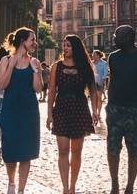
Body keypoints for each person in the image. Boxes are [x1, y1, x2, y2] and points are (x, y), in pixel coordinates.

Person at [106, 25, 137, 194]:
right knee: (113, 148)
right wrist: (108, 107)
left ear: (128, 38)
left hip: (136, 110)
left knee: (135, 150)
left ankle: (130, 186)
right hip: (115, 109)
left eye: (117, 35)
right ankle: (114, 184)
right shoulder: (112, 57)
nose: (114, 38)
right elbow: (111, 81)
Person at [47, 34, 98, 194]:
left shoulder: (85, 66)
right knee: (63, 151)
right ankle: (65, 187)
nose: (65, 48)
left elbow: (93, 90)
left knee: (76, 152)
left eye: (68, 45)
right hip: (61, 108)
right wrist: (49, 114)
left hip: (79, 109)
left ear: (75, 48)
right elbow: (51, 91)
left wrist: (95, 110)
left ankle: (73, 187)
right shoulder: (56, 66)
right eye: (64, 45)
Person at [0, 27, 43, 194]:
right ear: (23, 41)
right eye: (32, 40)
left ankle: (21, 190)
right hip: (10, 111)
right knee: (9, 151)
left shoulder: (35, 62)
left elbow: (38, 89)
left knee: (26, 151)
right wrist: (12, 65)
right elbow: (2, 85)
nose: (35, 43)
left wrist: (35, 69)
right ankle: (11, 183)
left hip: (29, 112)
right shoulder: (5, 60)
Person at [92, 49, 109, 115]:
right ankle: (95, 112)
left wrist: (102, 81)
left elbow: (105, 73)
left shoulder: (104, 63)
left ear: (98, 56)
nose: (93, 56)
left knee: (99, 97)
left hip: (100, 82)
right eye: (93, 55)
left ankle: (98, 113)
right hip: (93, 82)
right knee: (94, 98)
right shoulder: (91, 63)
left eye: (94, 55)